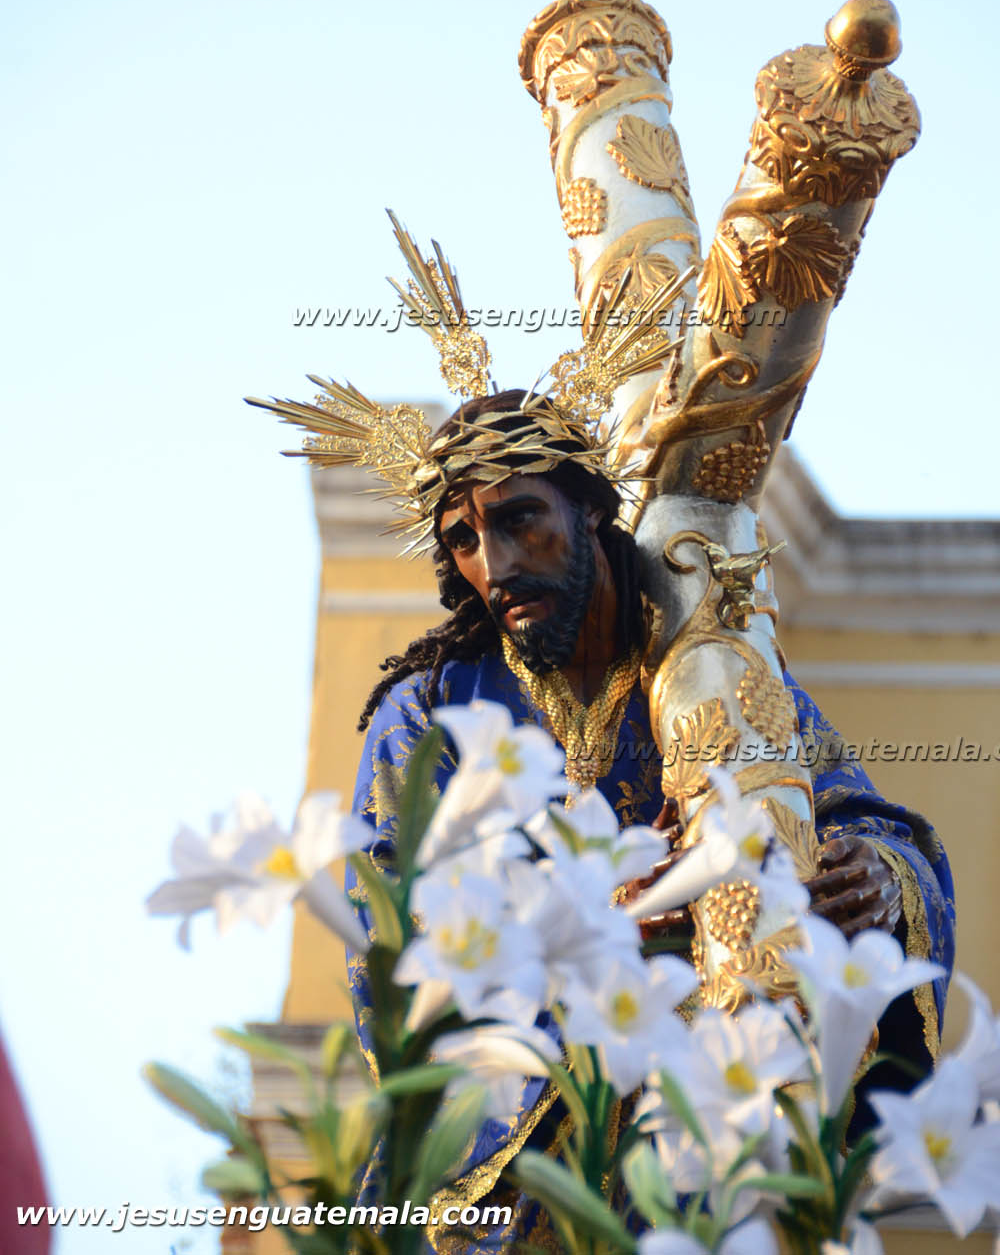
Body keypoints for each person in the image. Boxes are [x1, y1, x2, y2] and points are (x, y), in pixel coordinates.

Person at [346, 389, 955, 1248]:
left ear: (591, 509)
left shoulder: (712, 666)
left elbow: (859, 814)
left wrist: (878, 877)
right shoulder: (428, 713)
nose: (497, 564)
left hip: (710, 1132)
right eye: (464, 541)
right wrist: (595, 923)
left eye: (521, 520)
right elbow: (390, 939)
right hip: (517, 1190)